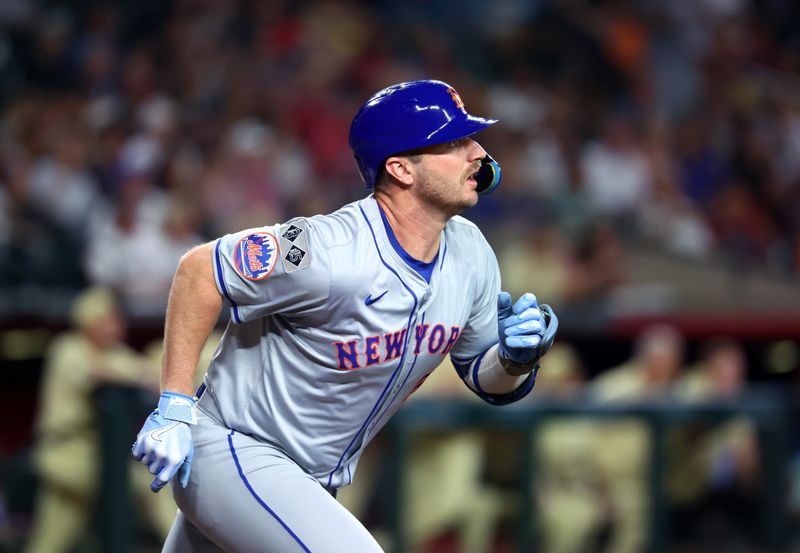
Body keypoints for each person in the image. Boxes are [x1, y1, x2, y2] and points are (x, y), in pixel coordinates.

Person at [131, 79, 559, 552]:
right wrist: (174, 404)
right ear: (400, 169)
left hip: (307, 482)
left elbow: (482, 375)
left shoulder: (472, 253)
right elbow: (199, 272)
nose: (477, 152)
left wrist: (516, 360)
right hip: (233, 452)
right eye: (454, 142)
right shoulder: (330, 251)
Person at [25, 287, 176, 553]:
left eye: (115, 319)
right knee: (149, 484)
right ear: (88, 322)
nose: (114, 326)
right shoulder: (69, 347)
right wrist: (145, 373)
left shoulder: (113, 352)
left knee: (52, 540)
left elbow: (148, 375)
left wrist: (154, 364)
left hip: (93, 457)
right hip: (66, 453)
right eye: (106, 320)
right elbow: (100, 373)